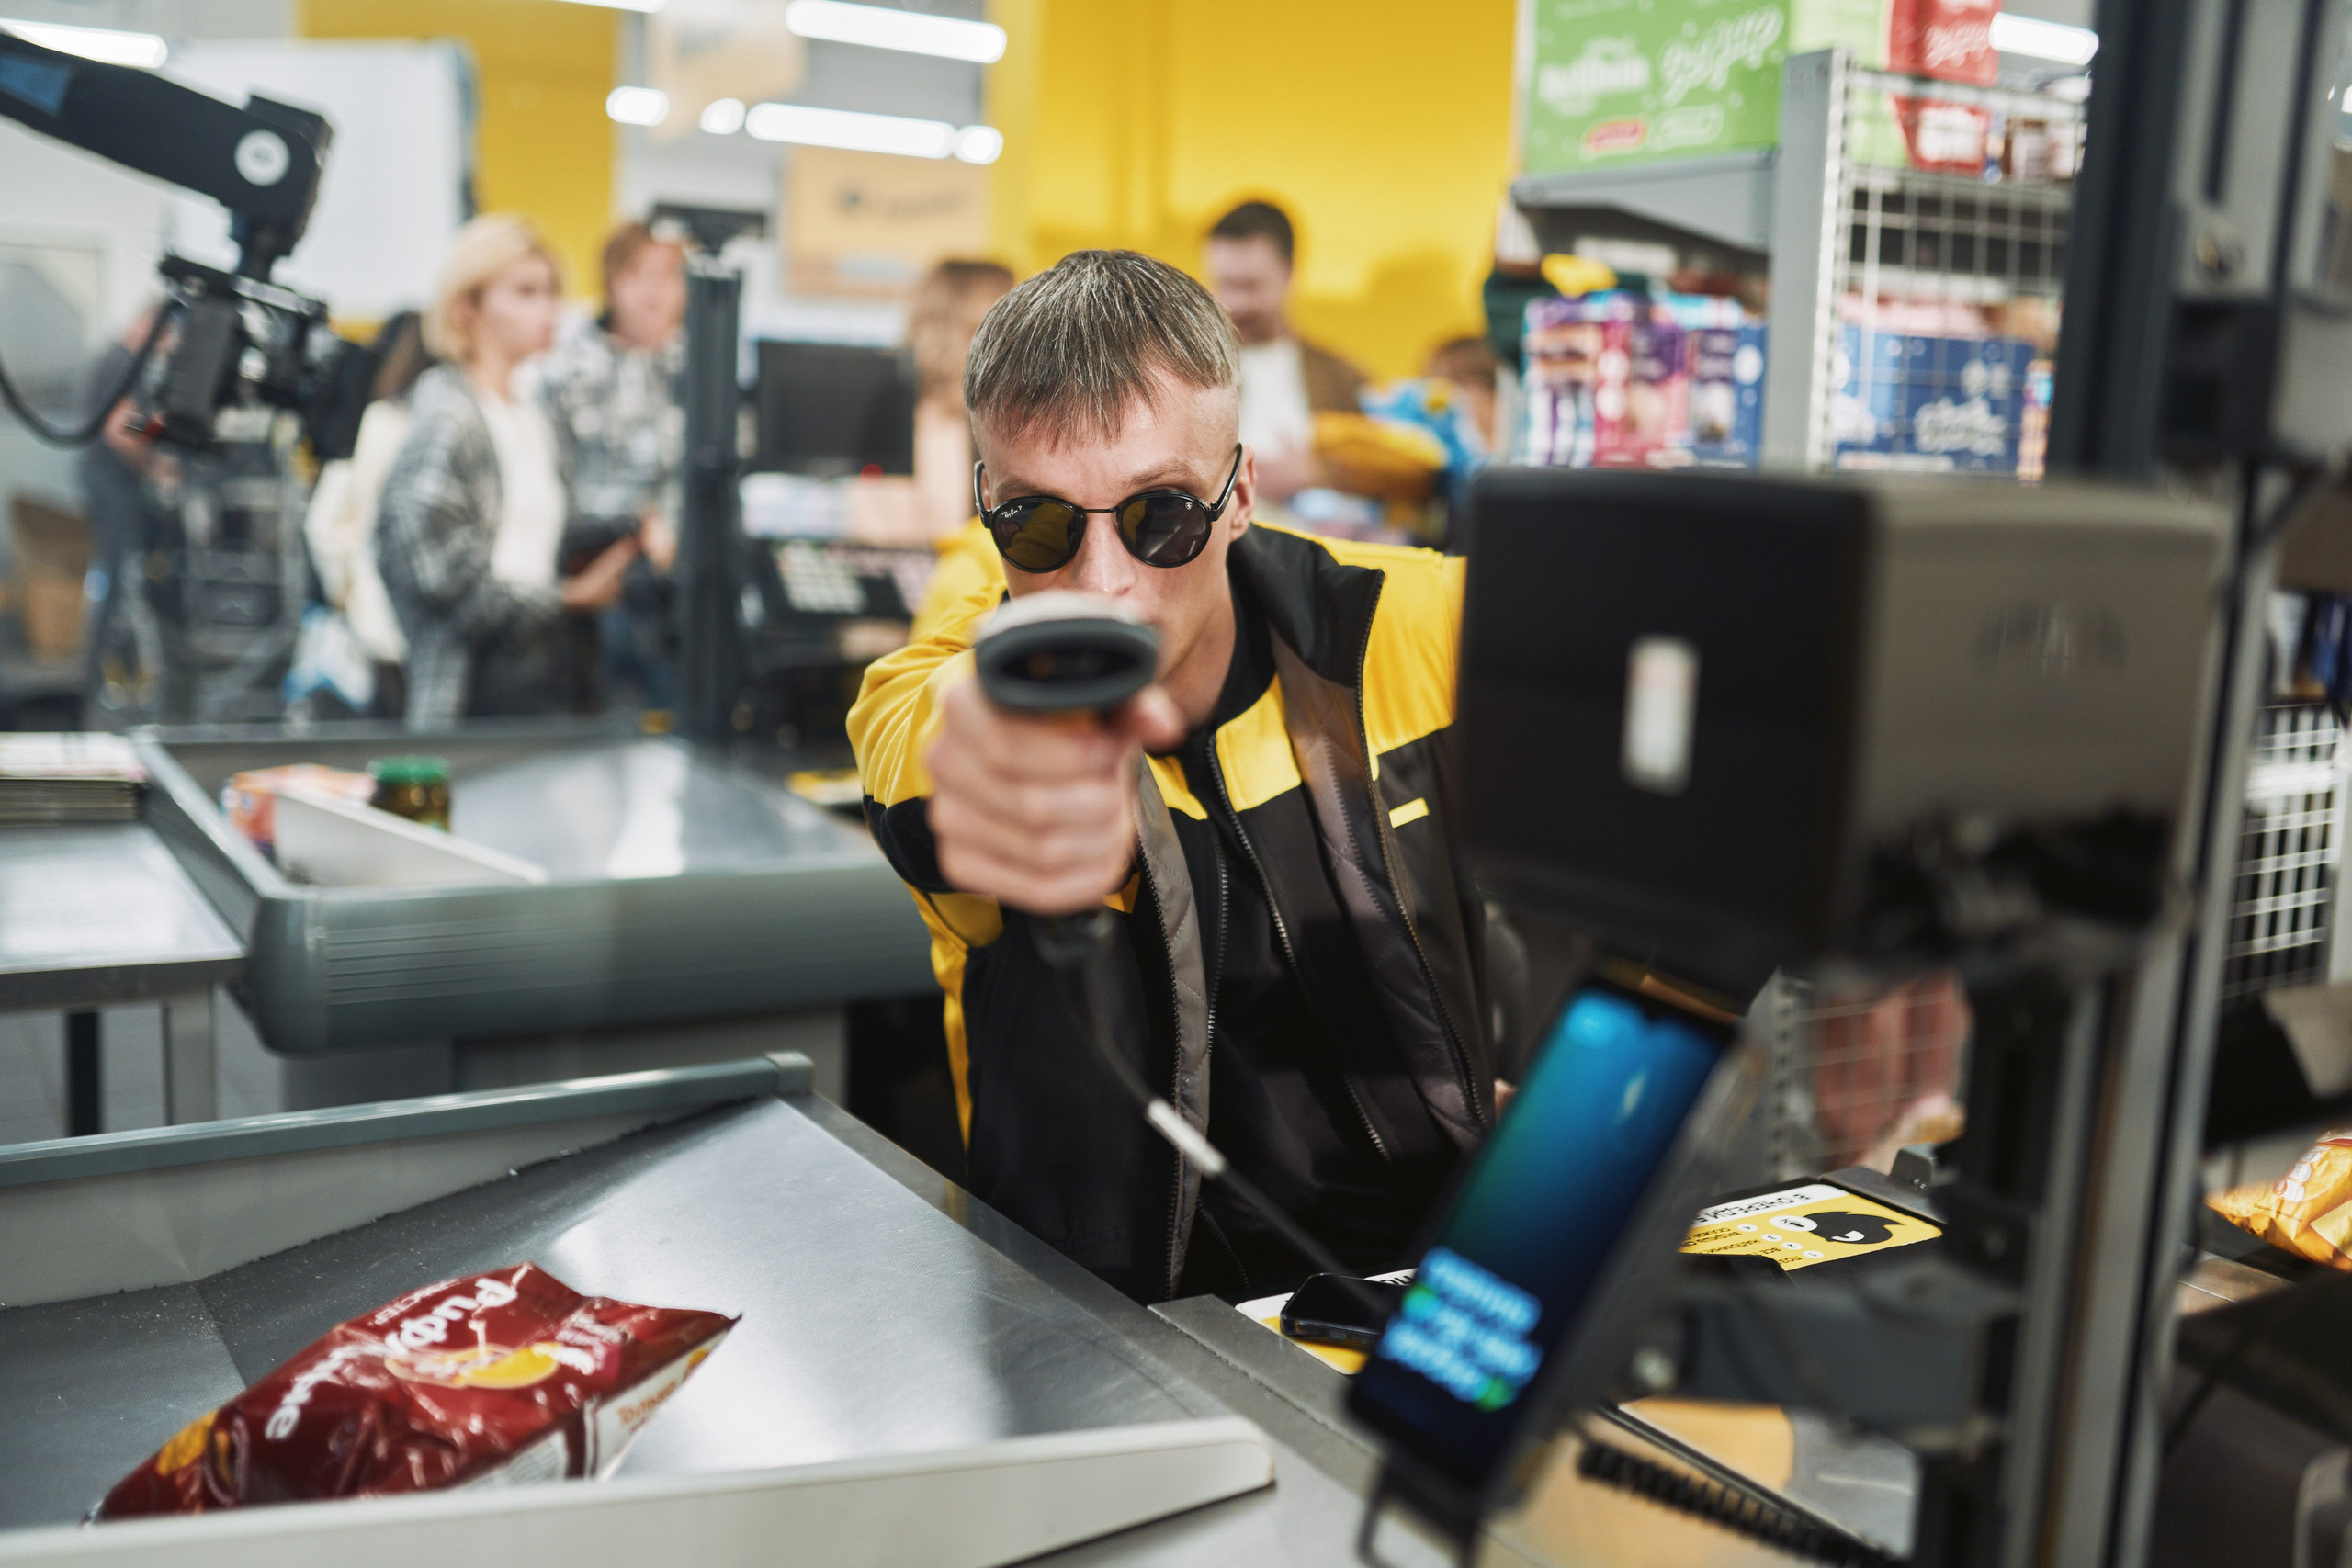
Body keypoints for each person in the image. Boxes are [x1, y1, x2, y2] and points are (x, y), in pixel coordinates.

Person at [850, 250, 1499, 1304]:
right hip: (1109, 1329)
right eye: (1041, 523)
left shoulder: (1408, 623)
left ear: (1239, 493)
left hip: (1432, 1293)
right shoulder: (941, 681)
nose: (1104, 582)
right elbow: (925, 736)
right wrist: (1006, 762)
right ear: (985, 504)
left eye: (1161, 517)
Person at [376, 215, 640, 728]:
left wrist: (629, 525)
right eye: (525, 292)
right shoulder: (450, 419)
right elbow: (441, 577)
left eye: (550, 292)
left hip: (549, 668)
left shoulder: (532, 415)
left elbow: (539, 536)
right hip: (474, 685)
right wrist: (569, 598)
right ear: (467, 307)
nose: (548, 309)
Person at [535, 220, 686, 709]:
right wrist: (639, 528)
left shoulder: (699, 373)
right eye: (636, 274)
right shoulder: (567, 371)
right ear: (611, 282)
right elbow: (550, 484)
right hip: (598, 589)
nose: (653, 292)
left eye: (668, 275)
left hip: (683, 591)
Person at [301, 310, 432, 717]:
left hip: (411, 628)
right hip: (381, 631)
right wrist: (349, 596)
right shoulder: (380, 424)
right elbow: (324, 523)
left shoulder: (423, 424)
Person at [1203, 201, 1368, 505]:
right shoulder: (1189, 373)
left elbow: (1403, 479)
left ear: (1289, 273)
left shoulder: (1342, 377)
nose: (1237, 303)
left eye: (1251, 286)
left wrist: (1325, 473)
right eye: (1225, 284)